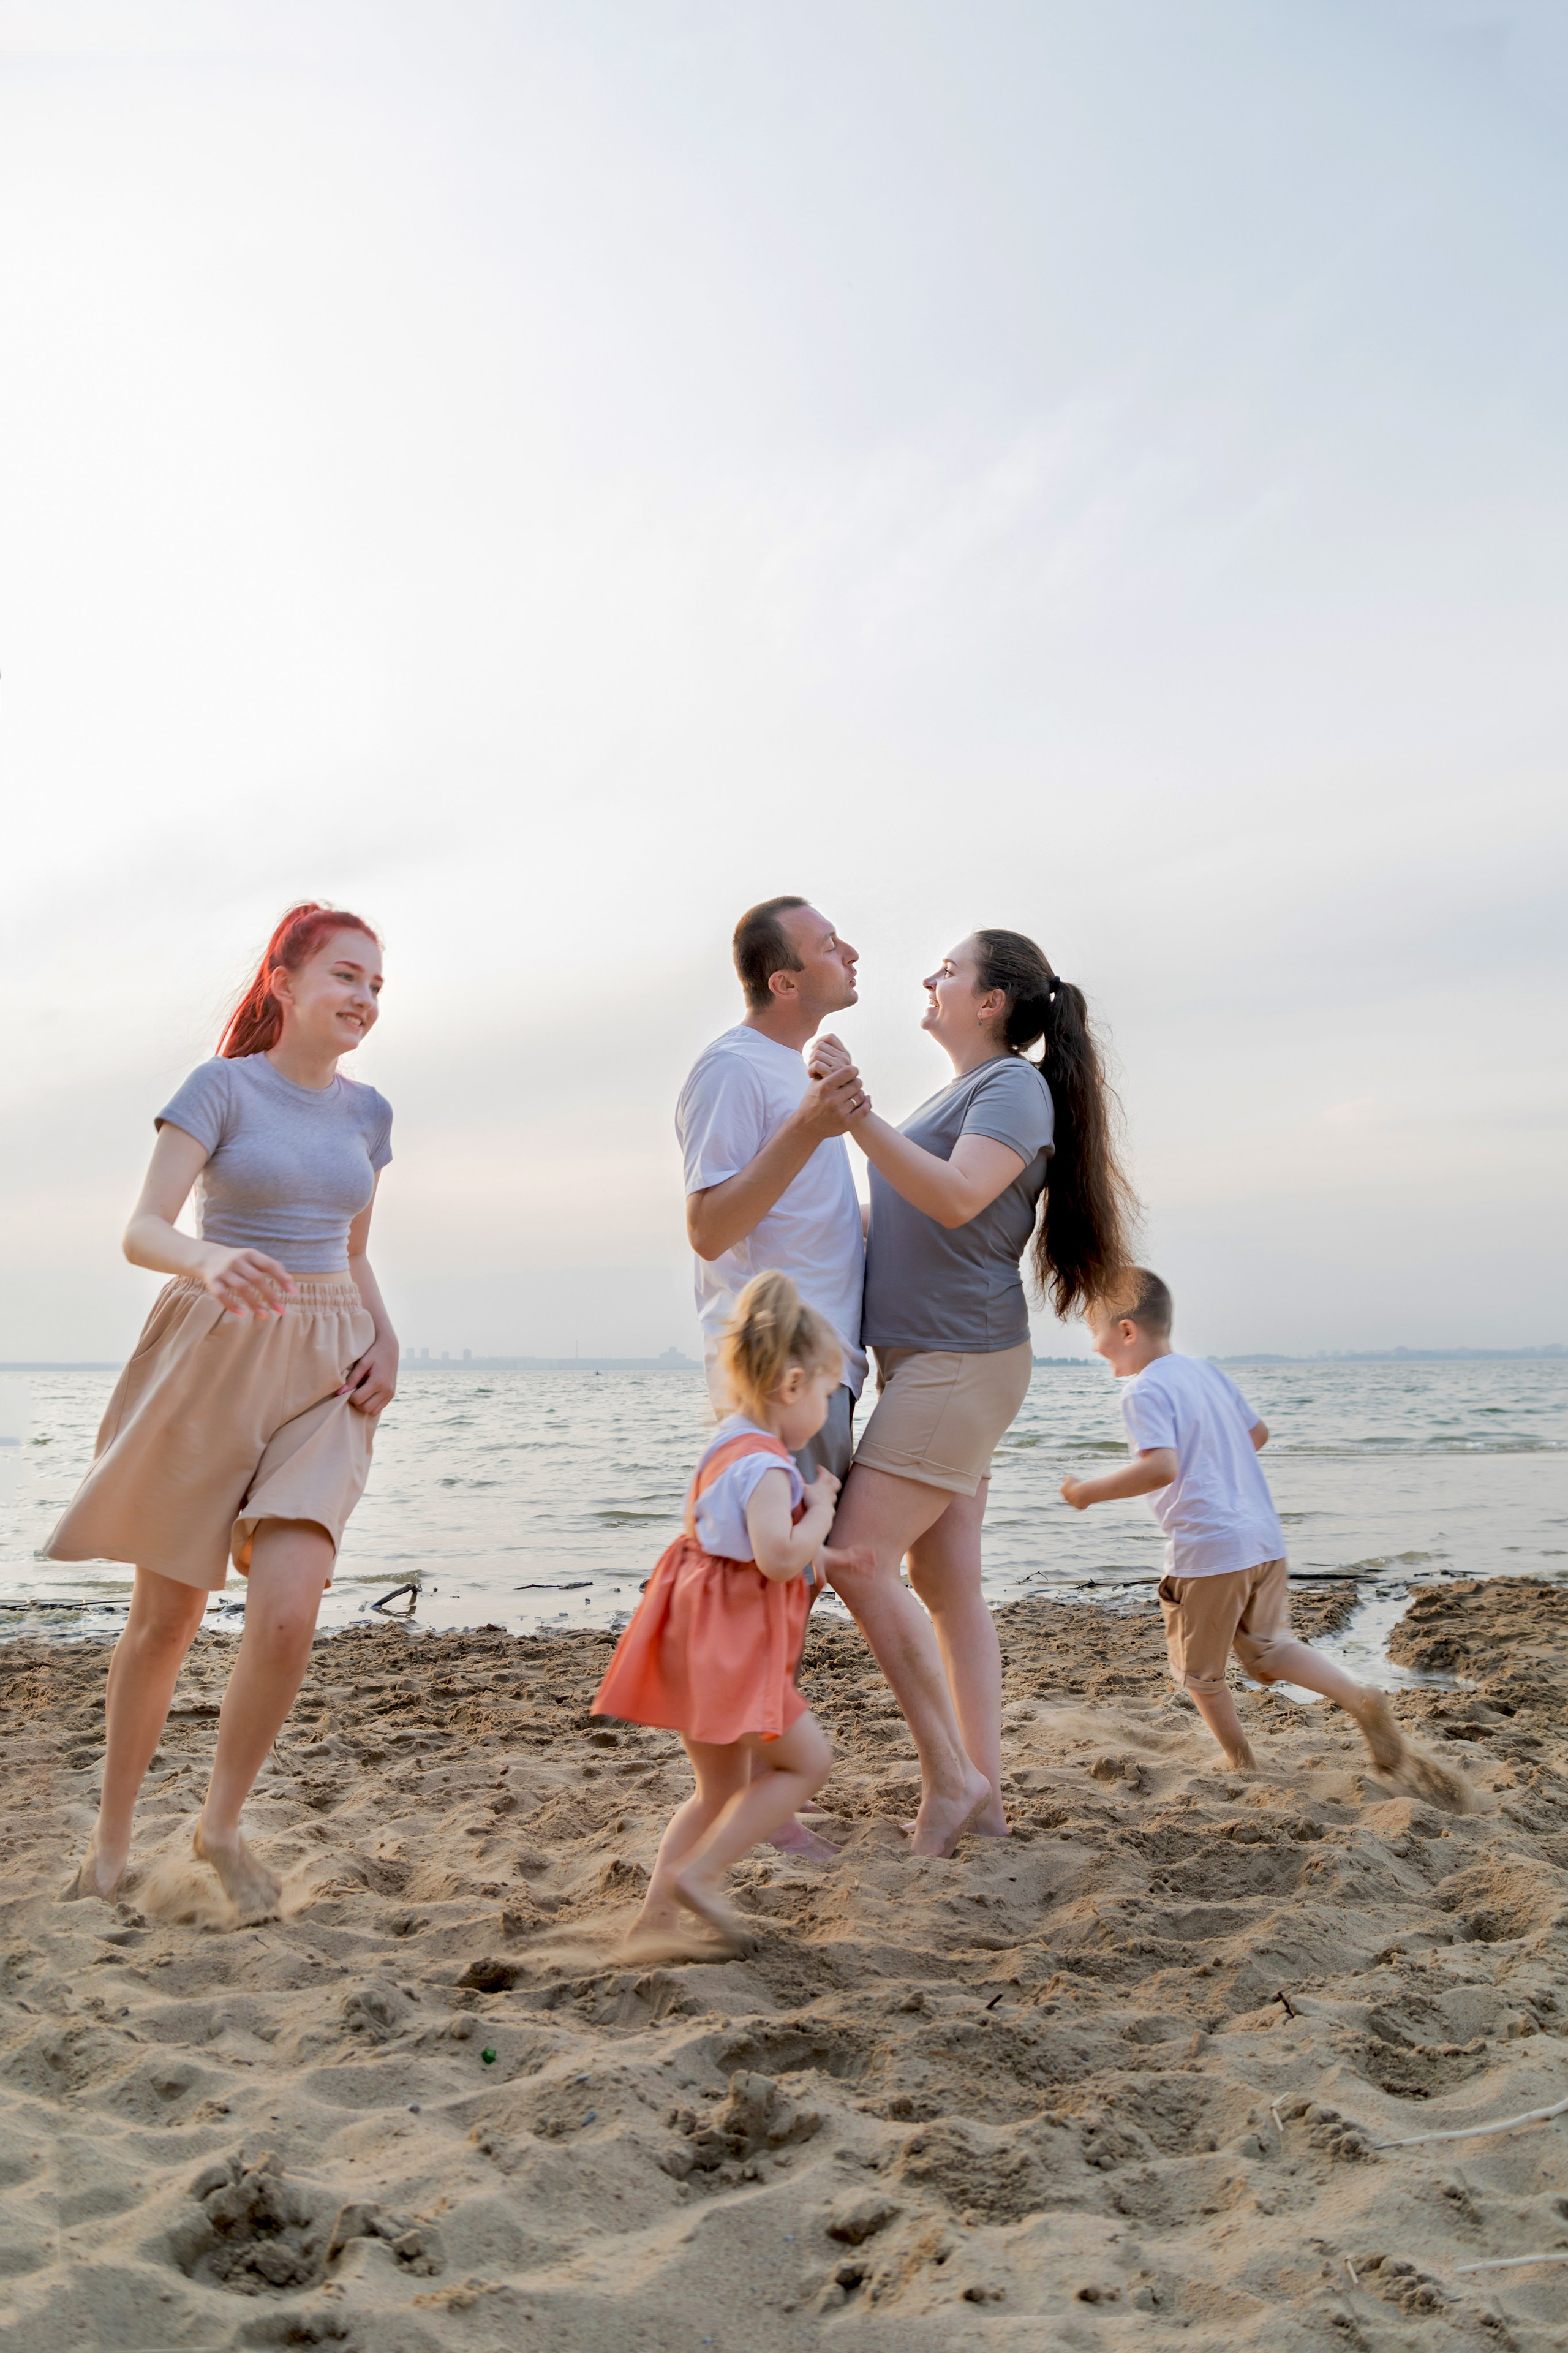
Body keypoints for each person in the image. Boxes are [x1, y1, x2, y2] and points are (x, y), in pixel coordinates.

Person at [48, 902, 400, 1921]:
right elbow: (144, 1228)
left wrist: (385, 1335)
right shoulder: (221, 1088)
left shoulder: (369, 1113)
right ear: (283, 983)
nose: (364, 999)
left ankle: (221, 1827)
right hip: (214, 1350)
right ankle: (112, 1843)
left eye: (376, 985)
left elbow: (356, 1246)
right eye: (346, 976)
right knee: (167, 1620)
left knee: (290, 1610)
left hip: (328, 1365)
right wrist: (210, 1258)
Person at [815, 929, 1136, 1855]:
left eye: (949, 970)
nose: (931, 977)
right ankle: (982, 1797)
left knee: (856, 1560)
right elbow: (905, 1217)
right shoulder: (961, 1092)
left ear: (991, 1001)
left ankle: (953, 1782)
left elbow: (957, 1197)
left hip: (963, 1362)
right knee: (946, 1584)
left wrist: (855, 1115)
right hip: (929, 1362)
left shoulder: (1013, 1087)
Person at [1061, 1267, 1471, 1808]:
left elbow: (1161, 1467)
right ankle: (1359, 1697)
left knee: (1200, 1675)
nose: (1094, 1347)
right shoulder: (1205, 1373)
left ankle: (1240, 1763)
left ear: (1129, 1331)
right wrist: (1217, 1464)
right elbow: (1257, 1434)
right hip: (1262, 1539)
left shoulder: (1143, 1390)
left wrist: (1090, 1491)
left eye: (1097, 1334)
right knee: (1269, 1649)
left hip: (1208, 1551)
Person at [592, 1273, 864, 1955]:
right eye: (828, 1396)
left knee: (718, 1791)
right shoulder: (768, 1467)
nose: (826, 1413)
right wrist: (823, 1513)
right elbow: (775, 1557)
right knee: (807, 1765)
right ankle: (703, 1875)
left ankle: (655, 1918)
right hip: (733, 1655)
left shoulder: (727, 1445)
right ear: (791, 1385)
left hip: (691, 1641)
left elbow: (734, 1541)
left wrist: (822, 1542)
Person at [677, 896, 869, 1856]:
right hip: (774, 1369)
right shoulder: (732, 1069)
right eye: (831, 945)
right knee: (768, 1585)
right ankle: (763, 1805)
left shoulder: (793, 1072)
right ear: (785, 979)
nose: (852, 952)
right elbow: (710, 1227)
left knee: (786, 1588)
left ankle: (760, 1796)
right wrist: (809, 1125)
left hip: (824, 1365)